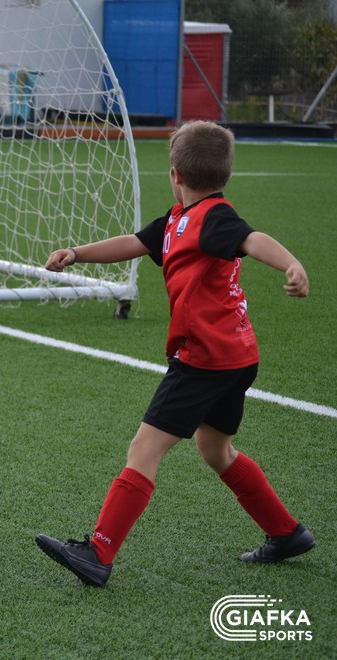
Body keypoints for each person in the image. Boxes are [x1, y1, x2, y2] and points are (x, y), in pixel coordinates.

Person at [35, 121, 314, 587]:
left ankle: (98, 553)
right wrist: (77, 253)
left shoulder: (215, 218)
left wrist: (291, 263)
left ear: (175, 174)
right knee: (216, 448)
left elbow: (252, 239)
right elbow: (135, 242)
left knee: (144, 448)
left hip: (204, 359)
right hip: (235, 356)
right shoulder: (176, 219)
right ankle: (286, 533)